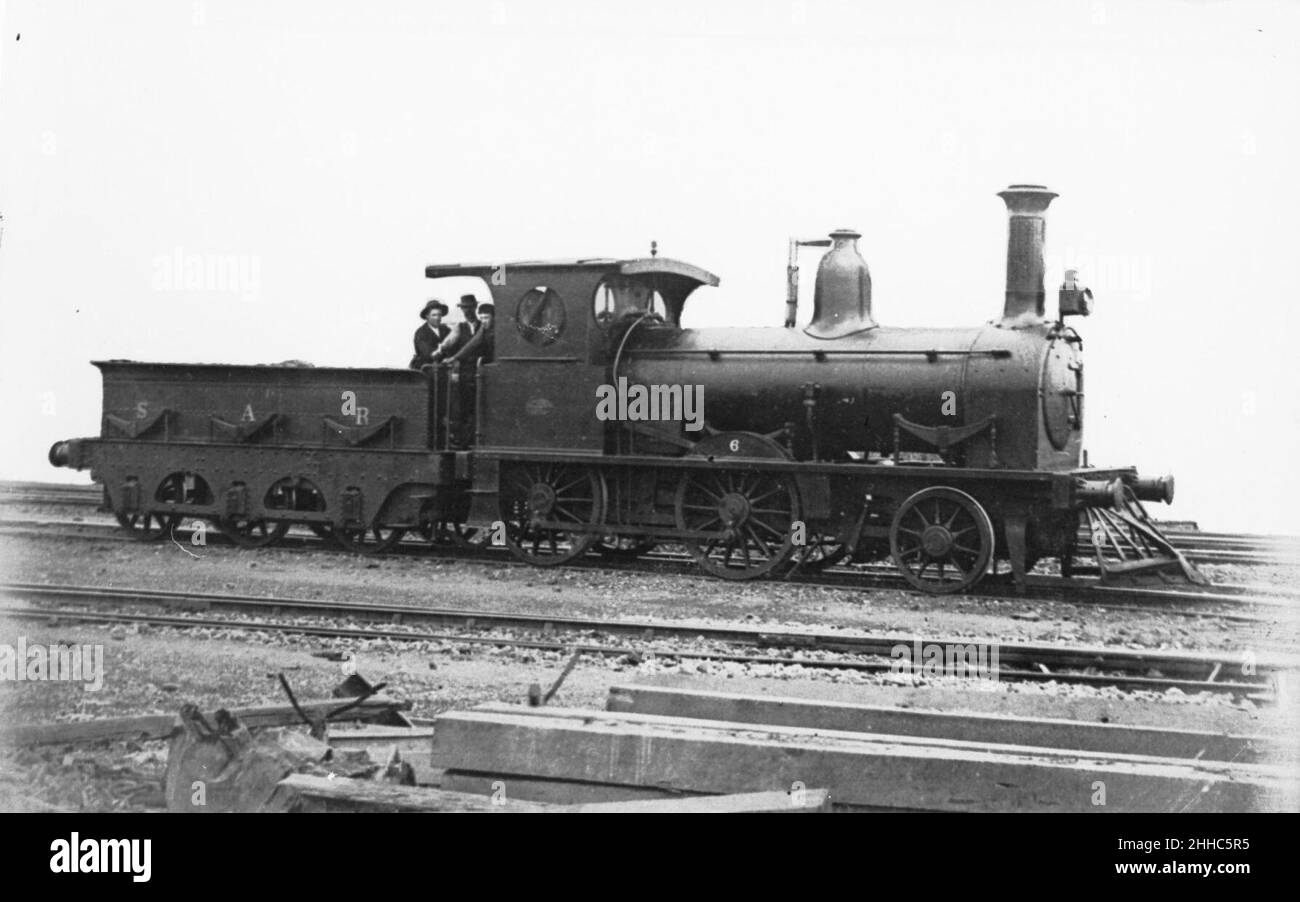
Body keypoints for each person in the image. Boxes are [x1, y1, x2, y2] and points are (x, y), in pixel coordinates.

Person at [429, 295, 482, 365]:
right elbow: (448, 342)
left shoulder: (483, 326)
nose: (467, 311)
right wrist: (439, 351)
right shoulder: (459, 327)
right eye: (464, 308)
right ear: (461, 309)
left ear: (475, 307)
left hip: (481, 366)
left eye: (470, 307)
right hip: (465, 368)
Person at [409, 300, 450, 371]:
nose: (437, 318)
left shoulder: (446, 329)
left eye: (439, 315)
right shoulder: (421, 333)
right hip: (427, 369)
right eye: (434, 315)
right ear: (427, 316)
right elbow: (427, 353)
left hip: (444, 368)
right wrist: (441, 352)